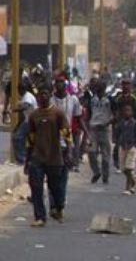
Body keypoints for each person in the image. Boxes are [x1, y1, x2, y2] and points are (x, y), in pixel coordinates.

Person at [25, 85, 72, 227]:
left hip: (54, 157)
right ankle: (40, 217)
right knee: (36, 188)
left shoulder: (58, 113)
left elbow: (67, 134)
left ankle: (58, 207)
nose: (43, 97)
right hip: (37, 157)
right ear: (38, 96)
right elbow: (30, 139)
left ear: (50, 95)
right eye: (41, 94)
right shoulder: (34, 115)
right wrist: (27, 161)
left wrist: (68, 153)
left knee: (55, 187)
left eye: (46, 94)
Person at [49, 78, 84, 207]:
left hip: (67, 140)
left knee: (64, 172)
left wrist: (86, 134)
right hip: (51, 141)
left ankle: (61, 199)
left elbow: (78, 118)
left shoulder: (73, 100)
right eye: (56, 82)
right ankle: (53, 202)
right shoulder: (50, 101)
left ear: (65, 85)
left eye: (61, 83)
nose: (59, 85)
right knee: (52, 173)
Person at [88, 79, 114, 184]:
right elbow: (89, 112)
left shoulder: (109, 99)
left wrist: (107, 123)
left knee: (105, 155)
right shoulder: (92, 99)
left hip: (104, 129)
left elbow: (115, 114)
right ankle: (96, 171)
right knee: (91, 152)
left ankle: (105, 176)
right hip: (93, 128)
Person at [114, 104, 136, 195]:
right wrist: (117, 141)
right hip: (123, 147)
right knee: (123, 169)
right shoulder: (121, 124)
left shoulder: (135, 124)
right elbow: (117, 133)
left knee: (129, 168)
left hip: (132, 147)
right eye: (125, 111)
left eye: (128, 111)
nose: (126, 113)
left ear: (132, 112)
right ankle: (134, 182)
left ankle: (127, 187)